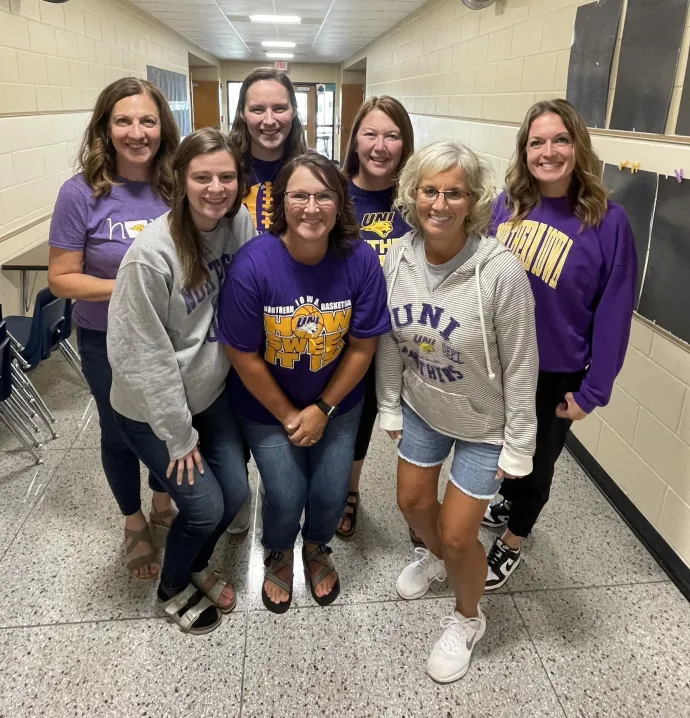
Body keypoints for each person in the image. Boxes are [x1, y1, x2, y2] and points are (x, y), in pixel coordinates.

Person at [377, 141, 538, 683]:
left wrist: (520, 444)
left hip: (483, 426)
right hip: (422, 407)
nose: (439, 203)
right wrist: (389, 406)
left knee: (456, 534)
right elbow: (388, 342)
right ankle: (438, 562)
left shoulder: (500, 272)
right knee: (411, 502)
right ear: (412, 195)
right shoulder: (395, 257)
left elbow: (521, 365)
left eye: (453, 192)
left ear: (473, 202)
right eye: (429, 190)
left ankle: (469, 618)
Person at [219, 152, 391, 614]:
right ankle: (278, 546)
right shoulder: (254, 263)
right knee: (287, 491)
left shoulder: (361, 261)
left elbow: (361, 348)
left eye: (324, 196)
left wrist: (323, 409)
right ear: (280, 202)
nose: (311, 208)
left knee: (332, 490)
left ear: (340, 204)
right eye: (299, 195)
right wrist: (291, 415)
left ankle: (316, 546)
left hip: (337, 403)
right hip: (266, 407)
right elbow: (242, 352)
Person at [482, 98, 637, 590]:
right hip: (499, 362)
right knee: (502, 450)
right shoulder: (506, 206)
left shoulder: (608, 221)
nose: (548, 151)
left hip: (555, 370)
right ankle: (505, 498)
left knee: (536, 465)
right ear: (524, 150)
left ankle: (513, 539)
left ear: (578, 146)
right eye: (536, 142)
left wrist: (595, 390)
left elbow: (614, 310)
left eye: (560, 140)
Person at [106, 129, 255, 634]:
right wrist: (178, 433)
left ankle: (195, 563)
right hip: (153, 411)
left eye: (227, 176)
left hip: (209, 394)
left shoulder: (240, 222)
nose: (216, 187)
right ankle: (173, 585)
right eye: (202, 177)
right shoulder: (150, 256)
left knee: (234, 494)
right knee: (203, 505)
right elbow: (143, 357)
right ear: (179, 180)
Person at [48, 77, 179, 582]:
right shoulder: (80, 193)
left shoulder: (174, 185)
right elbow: (62, 277)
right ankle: (134, 522)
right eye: (123, 120)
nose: (136, 132)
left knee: (168, 422)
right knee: (121, 430)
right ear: (106, 127)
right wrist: (131, 288)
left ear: (161, 127)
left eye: (147, 120)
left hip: (171, 335)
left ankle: (164, 502)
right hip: (108, 340)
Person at [336, 95, 414, 539]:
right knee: (344, 409)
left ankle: (355, 490)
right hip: (346, 330)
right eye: (371, 134)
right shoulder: (336, 191)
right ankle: (324, 485)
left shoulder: (416, 198)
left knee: (380, 418)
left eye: (392, 135)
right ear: (355, 140)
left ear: (405, 143)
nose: (380, 145)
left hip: (402, 334)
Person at [230, 67, 307, 233]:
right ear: (242, 113)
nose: (269, 120)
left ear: (293, 111)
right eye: (258, 109)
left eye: (279, 108)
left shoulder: (311, 170)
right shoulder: (225, 169)